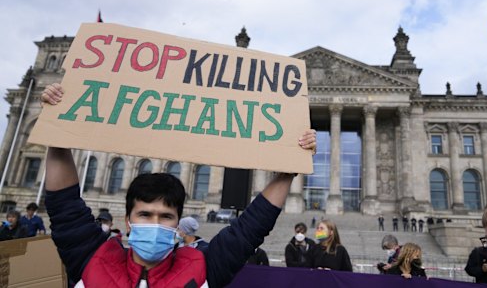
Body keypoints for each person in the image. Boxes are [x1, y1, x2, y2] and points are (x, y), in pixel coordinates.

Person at [40, 82, 317, 288]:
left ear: (177, 224)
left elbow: (250, 229)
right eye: (145, 215)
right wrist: (57, 126)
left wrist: (287, 172)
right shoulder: (94, 257)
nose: (155, 223)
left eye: (166, 217)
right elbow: (64, 206)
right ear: (127, 221)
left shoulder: (203, 267)